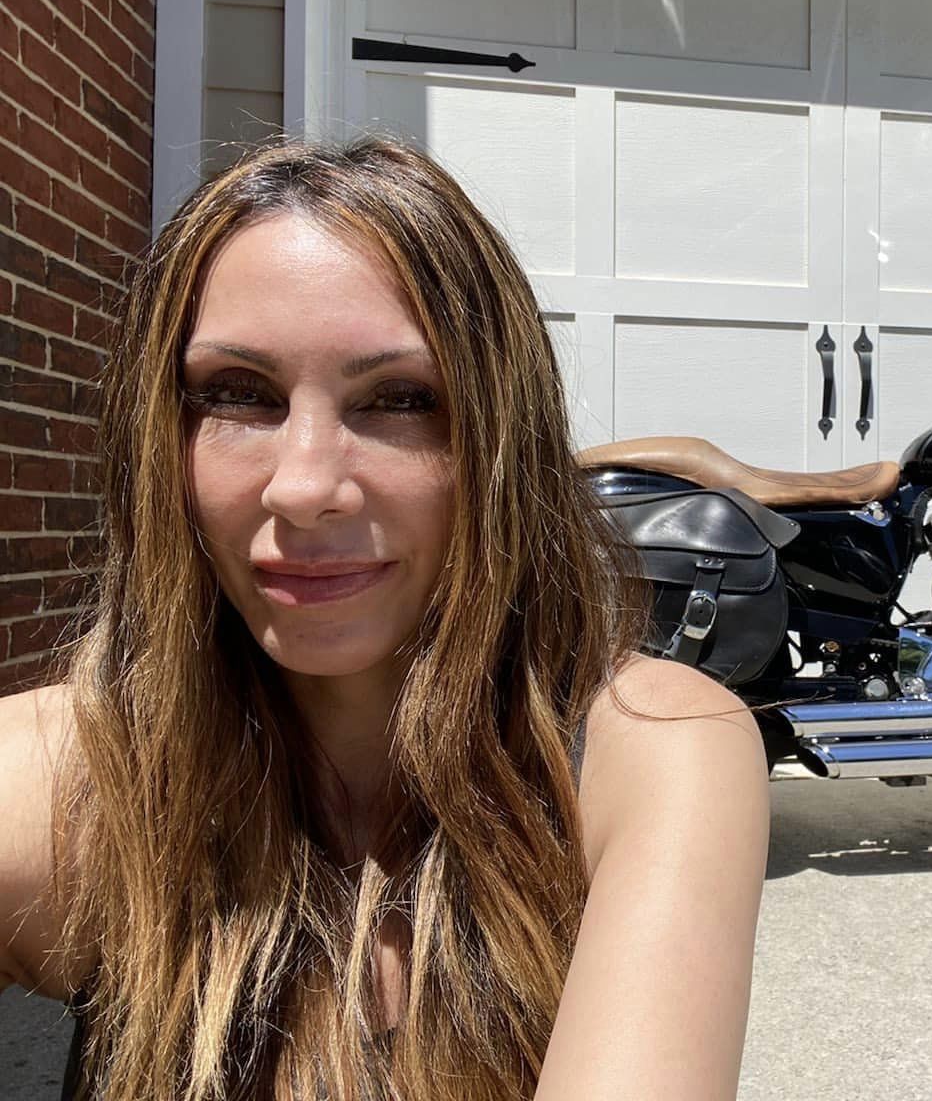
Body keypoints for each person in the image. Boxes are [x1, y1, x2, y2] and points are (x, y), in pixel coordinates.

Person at [0, 136, 771, 1100]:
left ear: (499, 444)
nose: (307, 486)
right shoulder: (75, 776)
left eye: (400, 400)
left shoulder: (648, 748)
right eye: (238, 395)